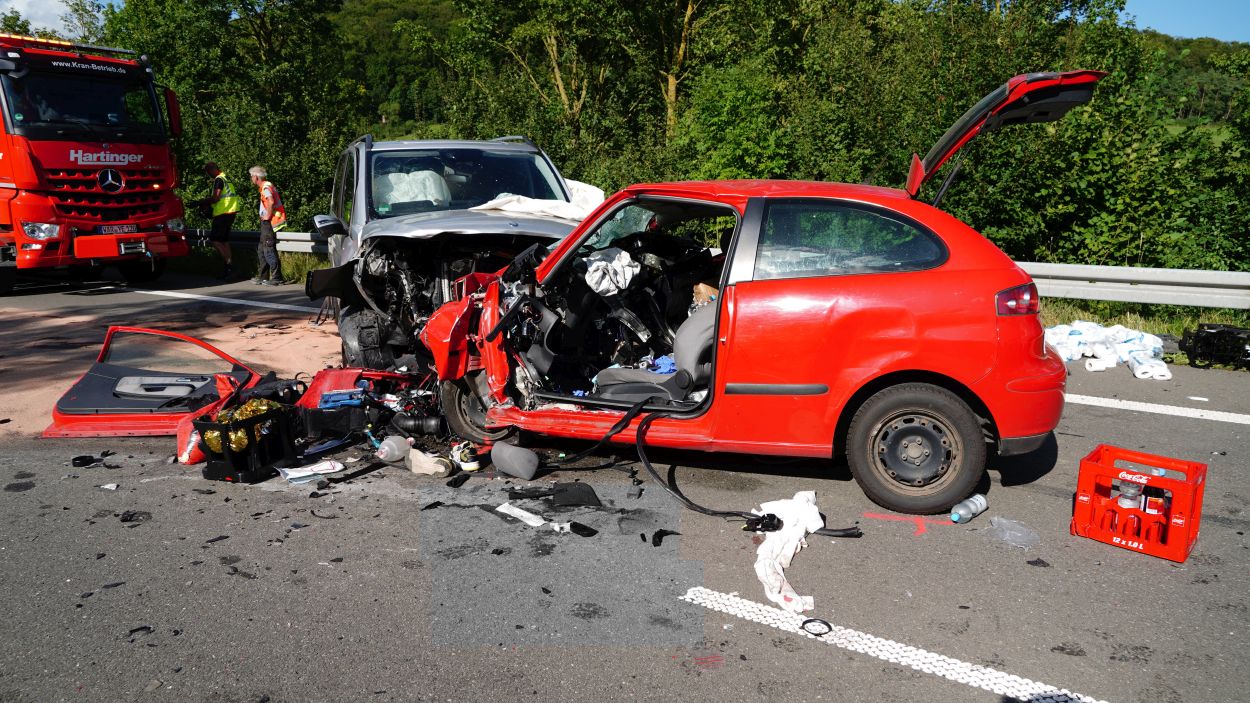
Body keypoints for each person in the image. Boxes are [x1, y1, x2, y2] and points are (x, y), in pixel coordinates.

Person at [191, 162, 241, 279]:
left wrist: (200, 202)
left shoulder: (219, 179)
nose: (209, 175)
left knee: (215, 240)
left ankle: (230, 266)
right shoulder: (226, 178)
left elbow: (216, 198)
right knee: (224, 240)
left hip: (222, 214)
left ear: (212, 169)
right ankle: (229, 268)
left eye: (208, 172)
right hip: (230, 212)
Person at [248, 166, 287, 285]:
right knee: (262, 249)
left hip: (270, 221)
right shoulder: (267, 186)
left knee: (268, 248)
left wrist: (267, 216)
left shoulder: (265, 187)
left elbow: (271, 201)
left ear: (256, 177)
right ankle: (263, 277)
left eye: (251, 176)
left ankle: (277, 278)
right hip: (268, 222)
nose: (251, 178)